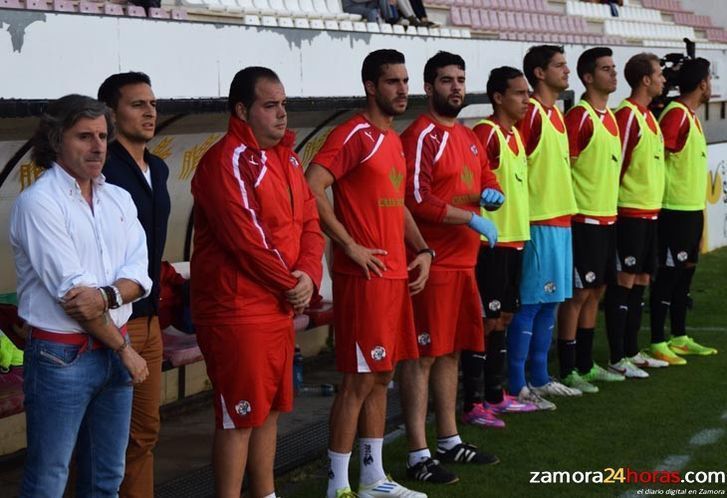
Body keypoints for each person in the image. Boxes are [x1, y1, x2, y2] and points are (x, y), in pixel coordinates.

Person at [190, 66, 324, 498]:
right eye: (270, 106)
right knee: (240, 417)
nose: (282, 114)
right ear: (242, 109)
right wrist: (293, 282)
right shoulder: (223, 161)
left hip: (278, 305)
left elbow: (309, 223)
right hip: (237, 309)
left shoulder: (287, 156)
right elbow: (246, 239)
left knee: (270, 411)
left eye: (284, 104)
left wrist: (308, 274)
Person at [10, 94, 151, 497]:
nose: (98, 146)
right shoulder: (39, 202)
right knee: (48, 479)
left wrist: (106, 296)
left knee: (107, 477)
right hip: (61, 355)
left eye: (103, 136)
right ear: (56, 140)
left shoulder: (118, 198)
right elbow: (73, 296)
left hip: (111, 352)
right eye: (84, 136)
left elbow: (140, 277)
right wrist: (124, 348)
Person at [306, 49, 432, 498]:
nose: (402, 89)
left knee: (382, 376)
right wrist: (348, 244)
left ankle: (373, 477)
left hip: (395, 275)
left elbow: (396, 208)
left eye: (405, 80)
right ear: (370, 87)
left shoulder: (392, 138)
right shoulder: (354, 134)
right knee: (358, 380)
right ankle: (337, 486)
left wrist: (423, 249)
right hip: (364, 278)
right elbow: (312, 185)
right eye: (393, 82)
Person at [398, 51, 501, 485]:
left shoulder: (469, 136)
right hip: (433, 264)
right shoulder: (421, 134)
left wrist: (493, 195)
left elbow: (487, 177)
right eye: (446, 80)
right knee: (421, 356)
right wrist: (471, 218)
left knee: (451, 352)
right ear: (428, 87)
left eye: (460, 79)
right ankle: (417, 453)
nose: (456, 87)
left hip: (464, 263)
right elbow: (415, 198)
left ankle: (449, 439)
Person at [97, 71, 171, 498]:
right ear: (111, 112)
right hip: (111, 323)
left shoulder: (158, 167)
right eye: (137, 104)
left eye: (153, 104)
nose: (149, 112)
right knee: (104, 439)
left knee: (145, 434)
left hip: (150, 320)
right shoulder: (102, 169)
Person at [461, 66, 540, 426]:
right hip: (490, 243)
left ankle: (497, 393)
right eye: (520, 93)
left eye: (527, 92)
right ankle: (473, 401)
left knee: (504, 317)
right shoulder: (486, 133)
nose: (527, 99)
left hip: (516, 240)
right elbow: (474, 183)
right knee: (487, 321)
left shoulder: (515, 135)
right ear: (498, 97)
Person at [509, 45, 582, 410]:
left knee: (551, 302)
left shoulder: (555, 114)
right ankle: (516, 384)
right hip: (538, 222)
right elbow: (512, 161)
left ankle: (539, 377)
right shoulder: (532, 113)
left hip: (561, 219)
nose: (566, 71)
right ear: (539, 73)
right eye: (559, 65)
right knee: (532, 303)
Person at [557, 47, 626, 392]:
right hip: (584, 220)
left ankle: (586, 364)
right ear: (588, 77)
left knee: (596, 290)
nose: (614, 74)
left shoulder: (610, 117)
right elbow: (564, 167)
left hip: (608, 218)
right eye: (606, 69)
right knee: (577, 295)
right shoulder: (580, 117)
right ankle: (568, 368)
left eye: (614, 68)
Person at [648, 57, 718, 362]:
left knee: (684, 275)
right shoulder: (675, 114)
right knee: (668, 275)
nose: (711, 85)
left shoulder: (690, 115)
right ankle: (657, 340)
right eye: (710, 80)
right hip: (674, 209)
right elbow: (658, 154)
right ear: (703, 84)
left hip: (690, 208)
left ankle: (679, 336)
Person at [605, 53, 670, 375]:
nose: (663, 79)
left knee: (642, 278)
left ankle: (632, 350)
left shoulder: (648, 116)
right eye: (659, 74)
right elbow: (618, 165)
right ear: (645, 79)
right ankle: (618, 357)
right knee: (625, 280)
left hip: (650, 213)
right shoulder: (628, 115)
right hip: (629, 213)